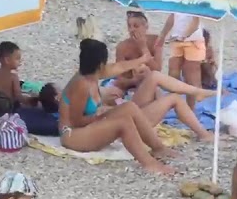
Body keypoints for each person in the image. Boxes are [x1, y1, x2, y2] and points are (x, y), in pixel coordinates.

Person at [60, 39, 209, 176]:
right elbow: (77, 121)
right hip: (73, 135)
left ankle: (158, 148)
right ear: (100, 65)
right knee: (123, 123)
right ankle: (149, 163)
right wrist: (102, 114)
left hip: (86, 126)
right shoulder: (81, 84)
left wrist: (142, 59)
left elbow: (119, 67)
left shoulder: (91, 74)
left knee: (129, 107)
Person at [113, 11, 218, 108]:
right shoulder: (122, 47)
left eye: (136, 26)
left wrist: (143, 48)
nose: (132, 30)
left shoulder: (155, 40)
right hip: (130, 87)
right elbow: (119, 81)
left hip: (150, 84)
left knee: (168, 81)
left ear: (146, 26)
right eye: (129, 26)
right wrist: (135, 80)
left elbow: (157, 69)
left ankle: (193, 97)